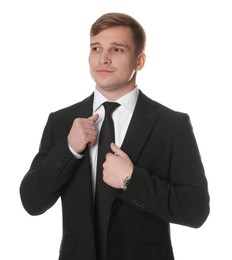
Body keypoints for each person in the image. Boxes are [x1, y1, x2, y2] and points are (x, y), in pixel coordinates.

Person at [20, 12, 210, 260]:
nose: (104, 58)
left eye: (117, 50)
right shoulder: (61, 122)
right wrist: (69, 149)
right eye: (96, 48)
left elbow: (196, 210)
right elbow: (32, 201)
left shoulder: (171, 124)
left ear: (139, 60)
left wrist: (132, 181)